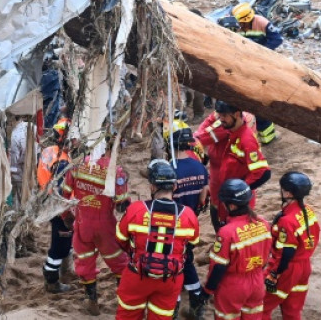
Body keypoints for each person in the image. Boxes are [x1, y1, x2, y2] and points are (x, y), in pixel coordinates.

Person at [115, 160, 200, 320]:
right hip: (170, 280)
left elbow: (120, 239)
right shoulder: (189, 215)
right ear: (174, 187)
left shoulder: (136, 210)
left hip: (137, 276)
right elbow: (191, 245)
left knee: (127, 315)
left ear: (152, 187)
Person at [62, 148, 131, 315]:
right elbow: (123, 205)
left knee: (85, 263)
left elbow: (64, 193)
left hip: (82, 222)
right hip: (106, 226)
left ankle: (91, 300)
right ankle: (123, 302)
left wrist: (66, 215)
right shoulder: (115, 170)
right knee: (120, 263)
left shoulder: (78, 164)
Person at [202, 179, 273, 320]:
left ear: (232, 206)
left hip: (233, 286)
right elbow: (268, 252)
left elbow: (218, 267)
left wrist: (207, 290)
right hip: (258, 281)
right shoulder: (263, 223)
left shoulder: (226, 232)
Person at [262, 172, 320, 320]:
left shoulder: (287, 221)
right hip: (304, 266)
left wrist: (275, 274)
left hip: (287, 269)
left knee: (262, 308)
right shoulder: (308, 210)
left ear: (288, 192)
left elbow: (286, 253)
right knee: (292, 311)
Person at [206, 101, 271, 231]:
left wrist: (241, 190)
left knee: (234, 231)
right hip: (228, 195)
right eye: (219, 115)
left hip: (236, 201)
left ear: (236, 114)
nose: (221, 119)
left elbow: (263, 172)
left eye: (224, 116)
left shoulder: (246, 140)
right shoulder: (232, 133)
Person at [231, 2, 283, 144]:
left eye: (241, 22)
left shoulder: (261, 23)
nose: (239, 25)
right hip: (244, 66)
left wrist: (260, 52)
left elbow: (277, 39)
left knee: (260, 100)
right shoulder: (236, 26)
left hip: (262, 67)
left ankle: (267, 136)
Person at [172, 134, 210, 319]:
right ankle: (196, 299)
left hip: (173, 223)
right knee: (187, 257)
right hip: (192, 221)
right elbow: (204, 197)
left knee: (176, 261)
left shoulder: (170, 169)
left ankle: (176, 301)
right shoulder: (200, 167)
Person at [36, 119, 72, 294]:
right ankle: (51, 280)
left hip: (49, 201)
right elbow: (63, 191)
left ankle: (61, 272)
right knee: (60, 246)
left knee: (64, 242)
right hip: (60, 208)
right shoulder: (63, 161)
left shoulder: (49, 151)